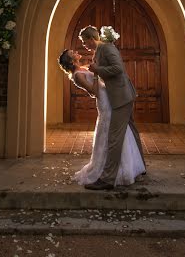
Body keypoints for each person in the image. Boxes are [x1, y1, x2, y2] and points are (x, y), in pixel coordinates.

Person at [58, 42, 145, 189]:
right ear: (71, 61)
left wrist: (98, 67)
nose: (75, 51)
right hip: (104, 101)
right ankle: (112, 172)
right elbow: (94, 92)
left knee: (121, 132)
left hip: (110, 97)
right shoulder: (77, 75)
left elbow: (100, 73)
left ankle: (129, 168)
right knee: (111, 133)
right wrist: (97, 73)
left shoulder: (82, 68)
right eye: (72, 53)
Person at [79, 25, 146, 190]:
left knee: (114, 138)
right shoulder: (100, 50)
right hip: (122, 96)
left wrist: (97, 69)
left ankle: (108, 179)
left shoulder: (107, 48)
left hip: (121, 98)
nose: (84, 45)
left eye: (84, 41)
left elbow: (118, 69)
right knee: (133, 131)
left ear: (90, 38)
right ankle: (141, 168)